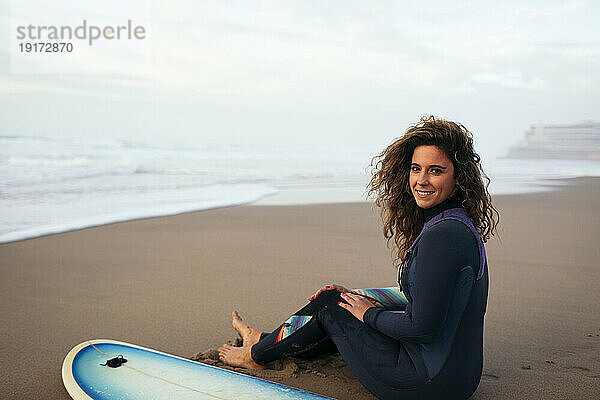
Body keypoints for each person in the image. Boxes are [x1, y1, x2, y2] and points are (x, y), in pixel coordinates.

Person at [218, 116, 499, 399]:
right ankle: (266, 341)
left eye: (435, 171)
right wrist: (361, 297)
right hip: (458, 378)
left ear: (458, 177)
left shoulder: (442, 236)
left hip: (425, 384)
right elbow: (424, 297)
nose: (421, 180)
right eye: (416, 169)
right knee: (345, 302)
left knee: (330, 305)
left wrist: (368, 312)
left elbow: (422, 328)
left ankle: (254, 355)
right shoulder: (457, 225)